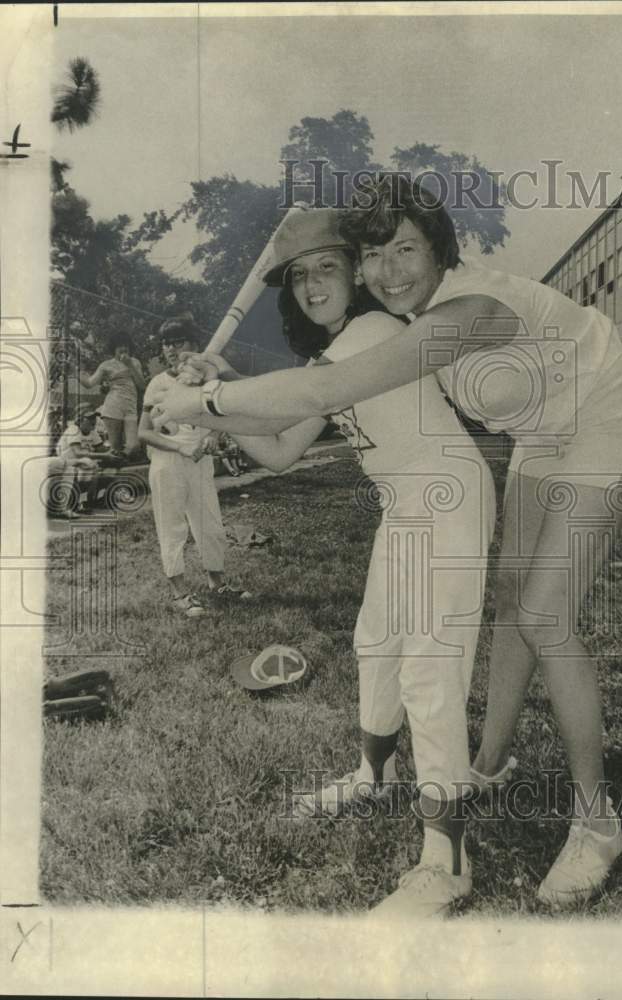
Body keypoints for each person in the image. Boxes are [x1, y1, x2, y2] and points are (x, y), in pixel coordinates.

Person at [150, 176, 622, 908]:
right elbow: (304, 406)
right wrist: (221, 397)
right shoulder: (403, 317)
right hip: (541, 431)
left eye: (404, 249)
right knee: (513, 603)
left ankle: (595, 825)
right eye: (374, 254)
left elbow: (323, 392)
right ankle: (484, 762)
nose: (388, 270)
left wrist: (204, 400)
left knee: (545, 614)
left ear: (437, 247)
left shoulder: (463, 312)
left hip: (605, 410)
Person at [176, 208, 496, 917]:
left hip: (446, 498)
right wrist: (204, 411)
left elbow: (307, 396)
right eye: (298, 276)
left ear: (356, 271)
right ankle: (372, 775)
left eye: (327, 267)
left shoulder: (374, 332)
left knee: (428, 668)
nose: (312, 284)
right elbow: (282, 444)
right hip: (404, 503)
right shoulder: (337, 353)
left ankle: (445, 861)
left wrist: (203, 398)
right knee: (374, 643)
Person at [138, 315, 252, 618]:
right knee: (172, 527)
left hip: (200, 463)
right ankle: (180, 593)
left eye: (179, 342)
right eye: (167, 343)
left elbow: (219, 419)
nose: (172, 349)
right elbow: (144, 432)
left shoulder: (205, 379)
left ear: (195, 345)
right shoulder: (158, 383)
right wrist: (180, 446)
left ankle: (218, 584)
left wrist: (213, 436)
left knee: (210, 526)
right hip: (168, 462)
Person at [79, 331, 145, 458]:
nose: (123, 348)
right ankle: (114, 473)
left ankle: (115, 462)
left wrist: (129, 365)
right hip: (113, 406)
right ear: (114, 348)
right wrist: (78, 372)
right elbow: (89, 383)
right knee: (115, 448)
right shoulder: (106, 365)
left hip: (130, 407)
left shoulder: (135, 362)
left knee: (134, 445)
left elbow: (142, 385)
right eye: (119, 345)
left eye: (126, 345)